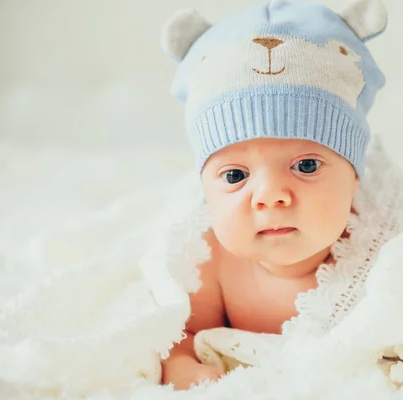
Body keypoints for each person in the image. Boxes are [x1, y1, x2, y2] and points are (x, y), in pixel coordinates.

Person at [158, 0, 388, 389]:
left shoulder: (378, 257)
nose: (270, 197)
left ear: (355, 178)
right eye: (234, 175)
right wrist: (181, 365)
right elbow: (182, 335)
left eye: (307, 166)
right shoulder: (208, 262)